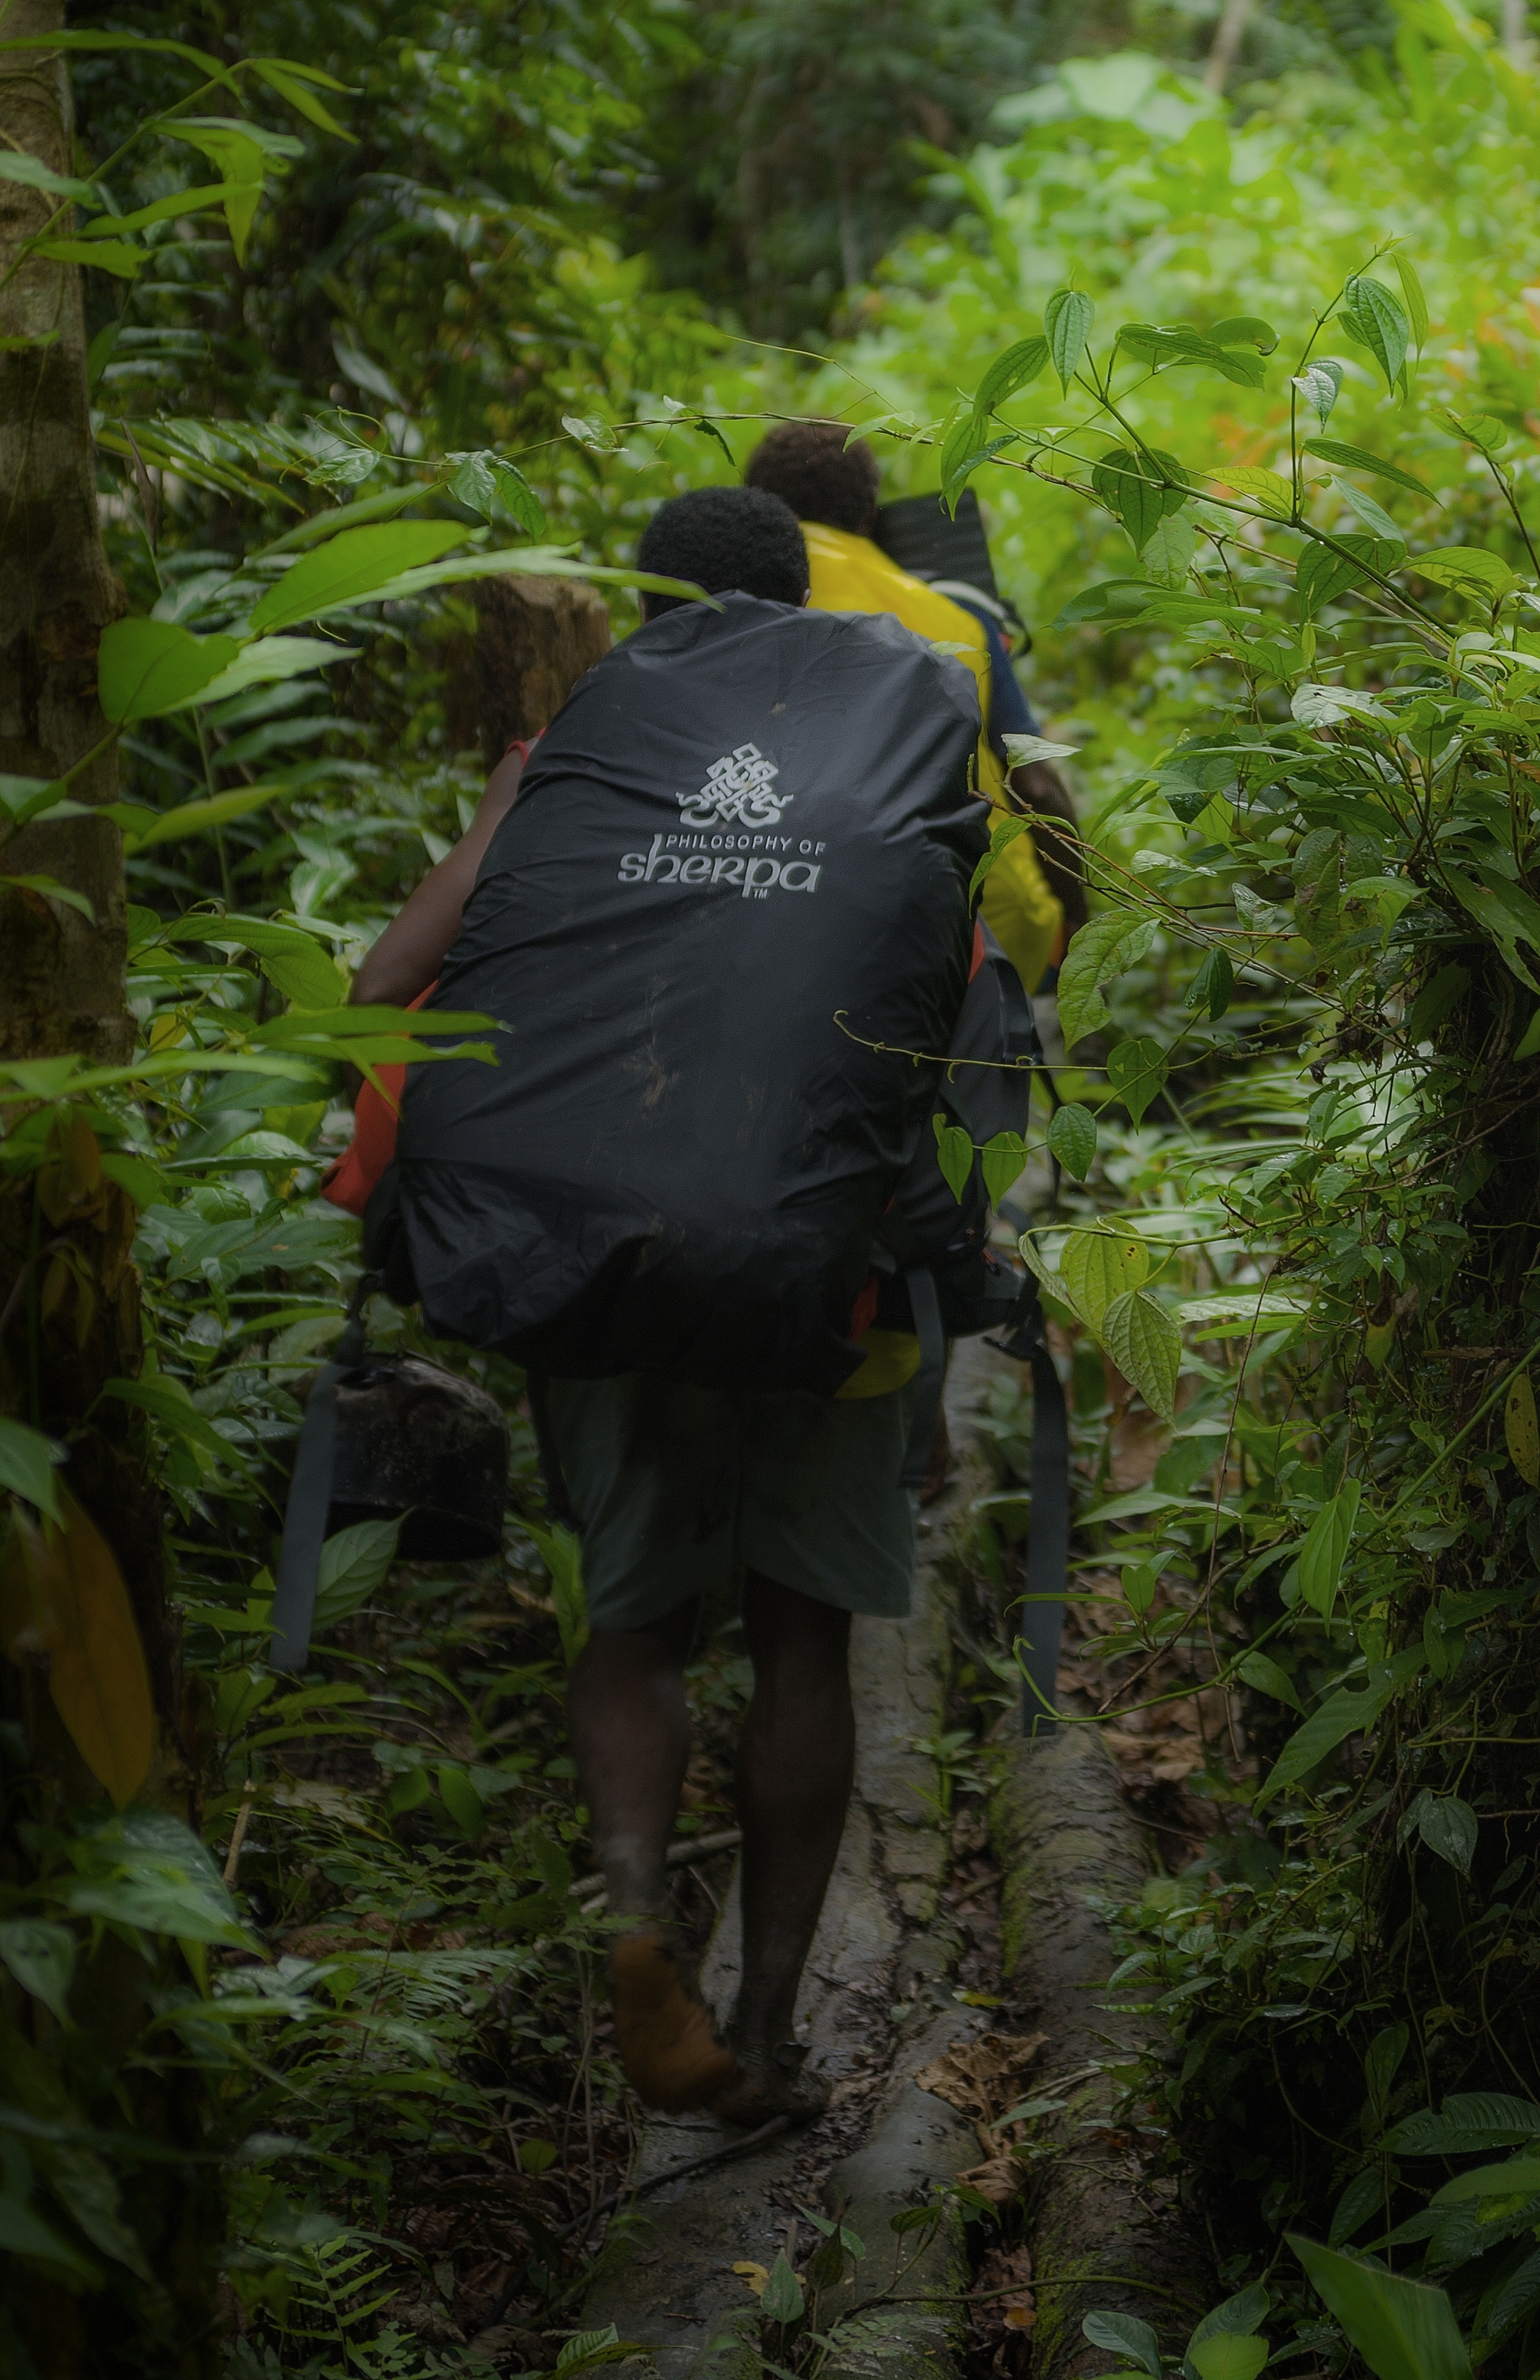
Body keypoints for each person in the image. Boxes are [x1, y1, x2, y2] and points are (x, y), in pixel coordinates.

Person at [344, 485, 934, 2132]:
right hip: (825, 1262)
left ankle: (631, 1923)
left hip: (588, 1249)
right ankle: (768, 2027)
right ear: (799, 598)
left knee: (635, 1619)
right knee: (804, 1633)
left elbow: (387, 984)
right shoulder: (884, 758)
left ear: (641, 609)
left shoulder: (564, 759)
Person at [744, 419, 1085, 969]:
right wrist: (1079, 920)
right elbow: (1037, 784)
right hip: (980, 921)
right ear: (872, 517)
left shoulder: (727, 600)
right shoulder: (956, 617)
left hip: (782, 901)